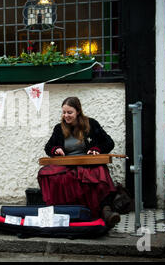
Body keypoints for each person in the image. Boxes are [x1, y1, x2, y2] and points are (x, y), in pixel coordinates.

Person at [38, 96, 120, 228]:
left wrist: (96, 149)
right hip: (67, 165)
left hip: (87, 164)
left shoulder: (90, 124)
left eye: (69, 112)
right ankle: (61, 212)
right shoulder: (59, 128)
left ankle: (105, 210)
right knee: (45, 173)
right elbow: (48, 147)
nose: (66, 115)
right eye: (64, 112)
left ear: (78, 112)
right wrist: (56, 149)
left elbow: (109, 142)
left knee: (99, 172)